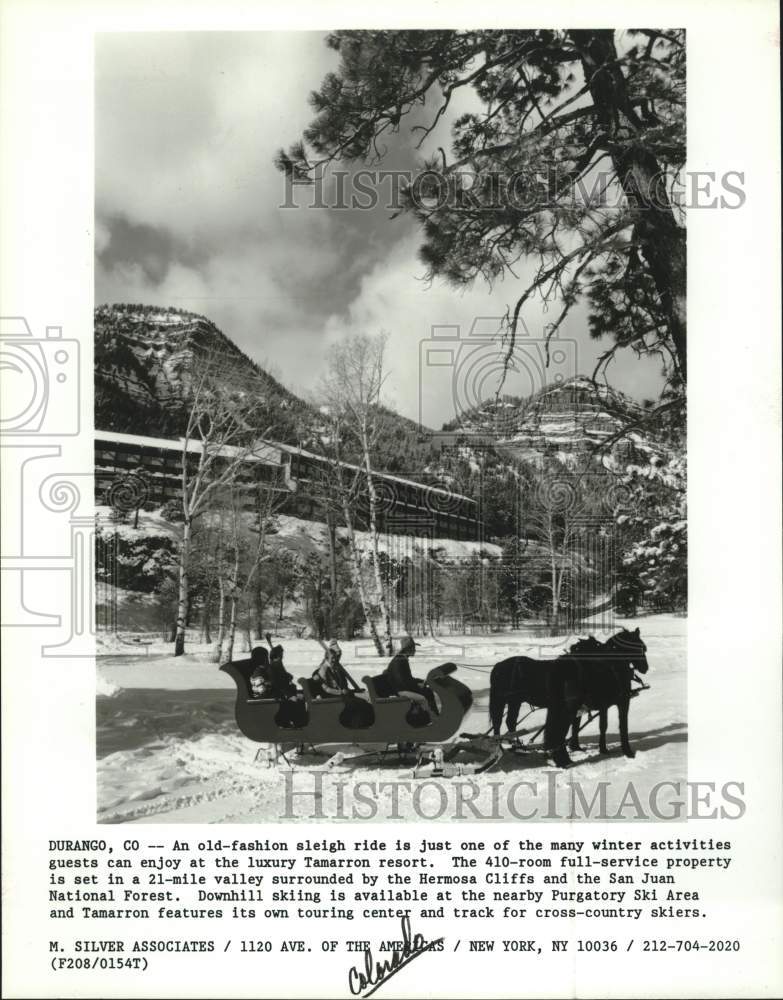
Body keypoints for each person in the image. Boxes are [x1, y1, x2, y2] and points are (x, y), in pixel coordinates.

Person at [376, 636, 439, 717]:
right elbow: (402, 682)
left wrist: (420, 681)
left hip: (402, 687)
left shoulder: (402, 659)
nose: (415, 650)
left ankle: (434, 716)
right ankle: (431, 718)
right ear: (408, 649)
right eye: (413, 648)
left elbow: (407, 678)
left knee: (428, 692)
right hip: (400, 690)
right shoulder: (399, 661)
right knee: (422, 698)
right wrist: (417, 686)